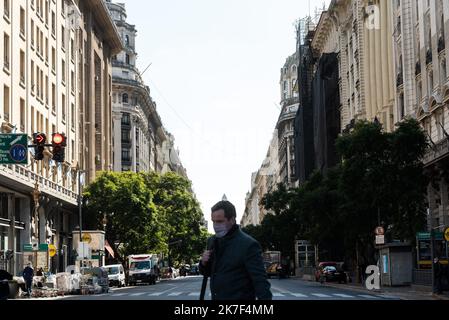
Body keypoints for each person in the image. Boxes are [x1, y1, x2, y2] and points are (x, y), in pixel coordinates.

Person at [200, 200, 272, 300]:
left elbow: (260, 282)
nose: (216, 226)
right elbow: (208, 272)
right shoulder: (212, 241)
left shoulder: (248, 245)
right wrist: (203, 263)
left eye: (220, 221)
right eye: (213, 221)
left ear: (232, 220)